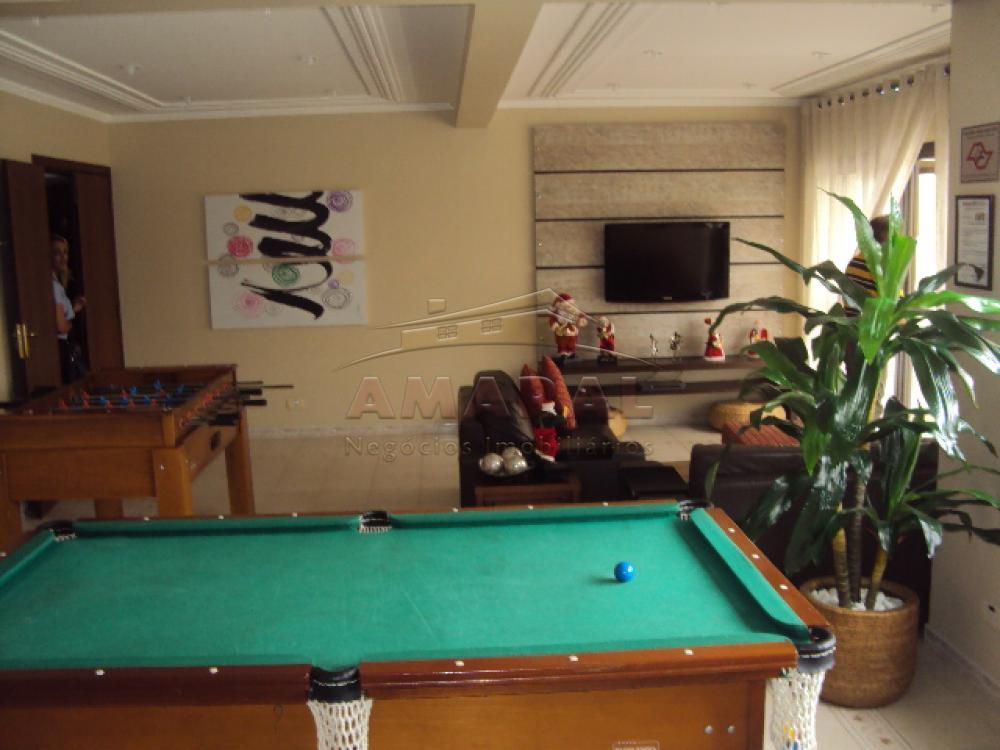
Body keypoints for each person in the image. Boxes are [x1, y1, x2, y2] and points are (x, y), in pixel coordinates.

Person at [51, 234, 87, 383]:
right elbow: (61, 326)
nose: (63, 257)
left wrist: (74, 308)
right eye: (57, 253)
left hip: (63, 346)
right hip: (61, 347)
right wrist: (70, 324)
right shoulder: (53, 286)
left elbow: (63, 313)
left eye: (65, 252)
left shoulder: (58, 285)